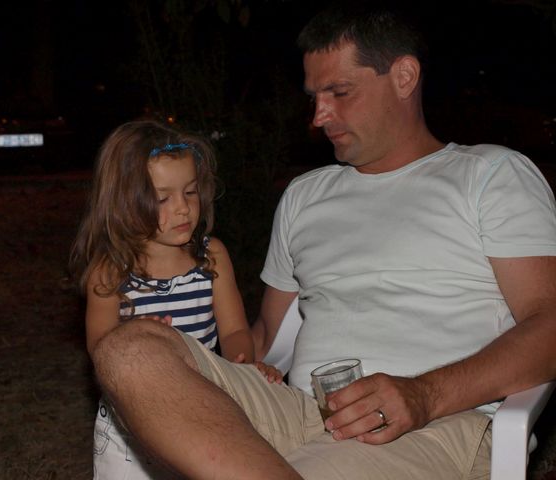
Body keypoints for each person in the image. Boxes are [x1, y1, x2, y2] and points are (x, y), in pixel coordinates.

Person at [90, 2, 556, 479]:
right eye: (314, 96)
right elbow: (264, 340)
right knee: (129, 349)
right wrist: (181, 355)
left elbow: (550, 327)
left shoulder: (490, 176)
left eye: (339, 92)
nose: (319, 115)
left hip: (431, 425)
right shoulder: (304, 195)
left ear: (403, 77)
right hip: (298, 411)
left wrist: (424, 395)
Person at [69, 120, 282, 479]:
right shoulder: (110, 273)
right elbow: (99, 347)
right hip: (130, 426)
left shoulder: (211, 258)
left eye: (190, 192)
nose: (183, 208)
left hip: (202, 411)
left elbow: (234, 332)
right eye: (163, 198)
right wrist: (135, 340)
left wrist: (242, 368)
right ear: (124, 204)